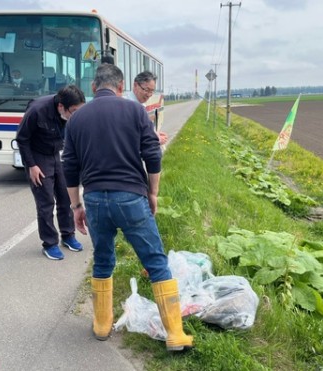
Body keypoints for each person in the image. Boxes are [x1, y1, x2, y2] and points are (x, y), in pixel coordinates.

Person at [62, 64, 193, 352]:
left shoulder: (76, 119)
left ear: (94, 88)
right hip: (131, 197)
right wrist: (153, 193)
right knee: (155, 262)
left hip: (95, 200)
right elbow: (152, 153)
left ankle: (101, 325)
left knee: (103, 260)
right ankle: (175, 335)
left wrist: (76, 206)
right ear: (122, 87)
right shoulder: (135, 111)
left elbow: (69, 167)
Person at [16, 85, 85, 260]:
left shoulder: (69, 113)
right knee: (46, 201)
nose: (76, 115)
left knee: (66, 196)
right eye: (74, 111)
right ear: (61, 106)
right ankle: (49, 243)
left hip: (57, 153)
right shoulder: (37, 110)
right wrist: (31, 165)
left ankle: (68, 235)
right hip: (38, 157)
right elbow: (22, 139)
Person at [128, 71, 169, 145]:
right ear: (135, 85)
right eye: (146, 90)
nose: (149, 95)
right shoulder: (128, 106)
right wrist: (155, 140)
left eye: (152, 91)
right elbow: (131, 136)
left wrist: (154, 134)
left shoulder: (141, 104)